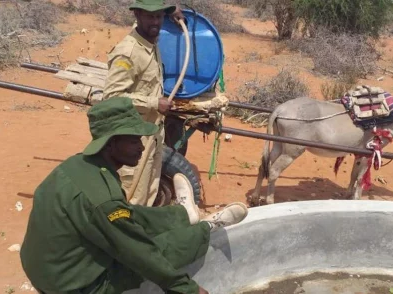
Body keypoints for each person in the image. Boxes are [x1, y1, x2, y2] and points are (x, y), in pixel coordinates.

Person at [19, 96, 249, 294]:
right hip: (73, 286)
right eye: (133, 140)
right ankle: (207, 227)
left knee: (129, 216)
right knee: (161, 247)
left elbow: (116, 217)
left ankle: (183, 213)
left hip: (48, 269)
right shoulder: (103, 200)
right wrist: (185, 288)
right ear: (110, 144)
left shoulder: (73, 167)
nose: (141, 146)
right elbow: (139, 253)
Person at [102, 0, 189, 207]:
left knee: (149, 194)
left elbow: (154, 21)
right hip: (132, 139)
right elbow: (112, 96)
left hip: (152, 137)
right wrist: (152, 103)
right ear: (137, 15)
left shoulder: (150, 42)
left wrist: (171, 11)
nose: (156, 22)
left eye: (159, 16)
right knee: (132, 198)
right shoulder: (129, 52)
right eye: (150, 16)